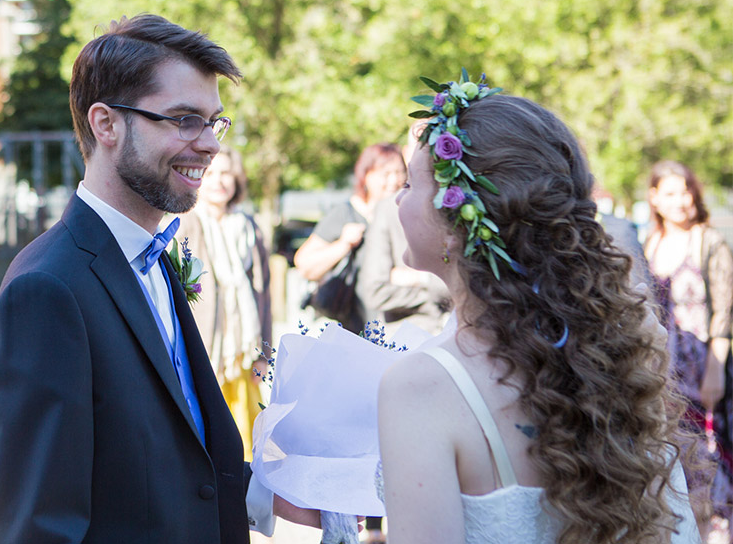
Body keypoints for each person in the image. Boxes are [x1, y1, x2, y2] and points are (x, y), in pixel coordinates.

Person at [0, 14, 317, 543]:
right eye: (184, 119)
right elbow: (40, 527)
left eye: (214, 122)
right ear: (106, 124)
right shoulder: (45, 291)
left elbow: (180, 456)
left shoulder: (157, 256)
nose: (210, 144)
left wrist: (291, 498)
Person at [378, 73, 700, 543]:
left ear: (454, 220)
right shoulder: (625, 340)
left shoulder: (421, 387)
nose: (397, 198)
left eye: (409, 184)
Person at [644, 160, 733, 536]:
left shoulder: (709, 240)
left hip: (707, 371)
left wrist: (715, 369)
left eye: (685, 191)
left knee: (716, 458)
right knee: (682, 462)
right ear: (655, 199)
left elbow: (726, 308)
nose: (681, 200)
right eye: (670, 193)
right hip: (668, 375)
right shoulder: (649, 242)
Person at [174, 145, 272, 462]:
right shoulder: (183, 223)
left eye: (226, 172)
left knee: (246, 442)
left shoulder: (248, 226)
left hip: (243, 354)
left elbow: (262, 292)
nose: (219, 181)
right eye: (211, 172)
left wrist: (264, 354)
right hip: (206, 354)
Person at [295, 142, 407, 332]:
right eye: (385, 173)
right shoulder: (346, 214)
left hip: (395, 327)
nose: (394, 180)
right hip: (351, 328)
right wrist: (343, 245)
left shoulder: (405, 217)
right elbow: (304, 265)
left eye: (399, 172)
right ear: (366, 176)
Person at [358, 121, 451, 338]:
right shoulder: (389, 209)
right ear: (408, 152)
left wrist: (422, 279)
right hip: (407, 338)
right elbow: (373, 291)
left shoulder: (464, 204)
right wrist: (438, 289)